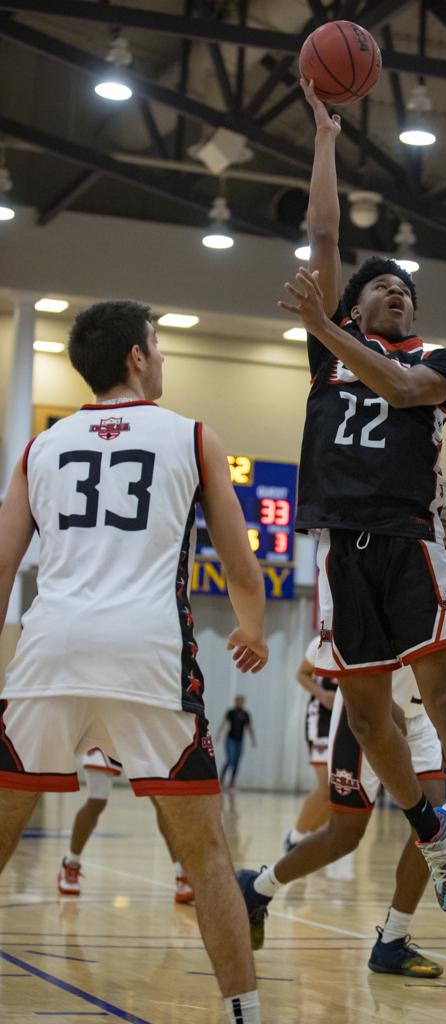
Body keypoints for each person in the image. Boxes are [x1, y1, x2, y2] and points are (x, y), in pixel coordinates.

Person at [274, 77, 446, 951]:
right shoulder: (330, 348)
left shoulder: (437, 360)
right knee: (369, 716)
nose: (398, 294)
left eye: (407, 289)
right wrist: (327, 139)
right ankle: (429, 829)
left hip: (413, 543)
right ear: (355, 302)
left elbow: (404, 386)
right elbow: (327, 235)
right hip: (343, 550)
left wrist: (330, 330)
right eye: (383, 288)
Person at [0, 299, 268, 1024]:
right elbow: (243, 569)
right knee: (206, 854)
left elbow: (1, 567)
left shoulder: (40, 448)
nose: (163, 356)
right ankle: (244, 1013)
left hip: (47, 656)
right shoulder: (192, 436)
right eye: (158, 343)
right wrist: (252, 629)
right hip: (147, 660)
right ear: (137, 358)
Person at [238, 508, 446, 978]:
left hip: (419, 720)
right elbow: (362, 659)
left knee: (436, 828)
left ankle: (393, 939)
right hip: (370, 714)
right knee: (344, 836)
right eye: (441, 523)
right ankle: (257, 886)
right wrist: (389, 722)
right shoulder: (400, 568)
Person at [57, 747, 194, 903]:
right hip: (105, 732)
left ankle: (182, 873)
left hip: (136, 733)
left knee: (162, 802)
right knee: (96, 800)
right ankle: (71, 863)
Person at [282, 639, 338, 852]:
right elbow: (301, 674)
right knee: (327, 786)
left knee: (337, 790)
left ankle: (306, 840)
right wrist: (322, 694)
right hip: (321, 717)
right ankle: (294, 838)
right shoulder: (323, 640)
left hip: (346, 717)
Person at [216, 695, 256, 790]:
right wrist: (218, 735)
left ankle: (231, 783)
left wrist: (253, 739)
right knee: (230, 759)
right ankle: (221, 781)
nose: (241, 703)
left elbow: (249, 727)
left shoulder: (246, 714)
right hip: (230, 739)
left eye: (242, 701)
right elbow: (224, 723)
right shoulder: (231, 712)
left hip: (240, 741)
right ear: (236, 702)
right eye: (239, 701)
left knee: (237, 762)